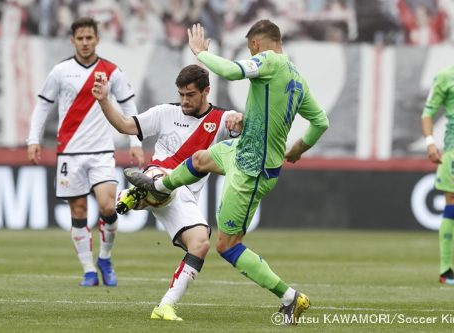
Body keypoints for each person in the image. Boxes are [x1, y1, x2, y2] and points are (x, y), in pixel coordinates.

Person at [124, 20, 329, 325]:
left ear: (257, 45)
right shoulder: (298, 80)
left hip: (252, 170)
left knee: (226, 245)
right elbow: (320, 121)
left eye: (250, 49)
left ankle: (291, 297)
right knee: (202, 158)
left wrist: (200, 53)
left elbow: (232, 72)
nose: (251, 54)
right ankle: (161, 187)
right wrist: (298, 149)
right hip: (241, 150)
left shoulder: (269, 60)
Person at [91, 64, 243, 320]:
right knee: (158, 177)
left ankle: (165, 305)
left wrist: (240, 120)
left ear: (206, 91)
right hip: (159, 176)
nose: (184, 100)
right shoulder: (165, 112)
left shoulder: (220, 119)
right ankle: (146, 191)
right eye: (181, 94)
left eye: (190, 95)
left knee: (201, 244)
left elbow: (247, 139)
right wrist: (105, 100)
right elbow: (126, 126)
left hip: (185, 197)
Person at [26, 17, 145, 287]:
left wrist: (136, 143)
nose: (85, 43)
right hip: (69, 152)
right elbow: (43, 106)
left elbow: (129, 107)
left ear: (97, 40)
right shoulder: (60, 71)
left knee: (107, 206)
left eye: (89, 38)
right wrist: (33, 139)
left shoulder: (112, 71)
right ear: (72, 40)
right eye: (80, 38)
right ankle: (89, 270)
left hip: (102, 150)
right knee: (78, 213)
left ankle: (105, 257)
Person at [421, 25, 454, 286]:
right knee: (452, 207)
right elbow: (428, 112)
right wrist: (430, 142)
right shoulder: (445, 77)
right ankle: (446, 271)